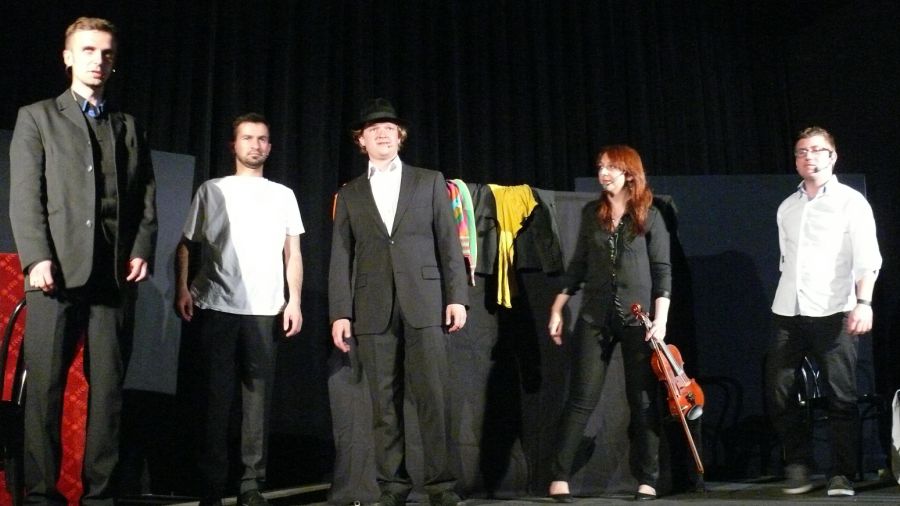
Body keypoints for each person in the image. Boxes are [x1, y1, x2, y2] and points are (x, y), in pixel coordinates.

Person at [8, 16, 157, 505]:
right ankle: (40, 494)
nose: (98, 60)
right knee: (45, 391)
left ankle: (100, 496)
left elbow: (145, 198)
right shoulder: (37, 117)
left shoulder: (128, 125)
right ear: (68, 57)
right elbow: (26, 196)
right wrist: (37, 258)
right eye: (88, 50)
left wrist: (141, 248)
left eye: (106, 53)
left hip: (113, 278)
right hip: (54, 275)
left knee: (108, 393)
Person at [328, 98, 468, 506]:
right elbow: (341, 256)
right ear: (362, 141)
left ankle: (441, 486)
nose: (382, 134)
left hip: (425, 301)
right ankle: (393, 486)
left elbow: (449, 243)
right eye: (373, 130)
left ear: (400, 136)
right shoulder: (350, 193)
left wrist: (457, 297)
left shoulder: (429, 181)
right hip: (372, 307)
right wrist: (340, 312)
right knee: (383, 405)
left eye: (389, 128)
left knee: (433, 398)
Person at [175, 113, 304, 506]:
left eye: (262, 139)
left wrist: (295, 300)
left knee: (257, 401)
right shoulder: (212, 189)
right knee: (214, 400)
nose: (255, 145)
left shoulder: (283, 195)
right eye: (247, 138)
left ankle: (251, 483)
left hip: (264, 309)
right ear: (234, 145)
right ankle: (211, 486)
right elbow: (186, 243)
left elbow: (293, 253)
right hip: (216, 305)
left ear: (270, 146)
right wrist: (182, 288)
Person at [547, 145, 671, 502]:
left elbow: (662, 271)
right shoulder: (593, 213)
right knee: (581, 398)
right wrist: (558, 307)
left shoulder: (650, 215)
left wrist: (661, 319)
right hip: (595, 317)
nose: (603, 173)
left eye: (611, 167)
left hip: (639, 320)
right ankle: (559, 476)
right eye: (601, 166)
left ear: (629, 173)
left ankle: (648, 478)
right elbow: (578, 265)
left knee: (642, 399)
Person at [766, 126, 881, 497]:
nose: (808, 157)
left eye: (817, 150)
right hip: (789, 309)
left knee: (840, 396)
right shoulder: (788, 206)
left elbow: (867, 258)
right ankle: (799, 465)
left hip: (834, 309)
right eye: (802, 152)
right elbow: (786, 260)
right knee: (779, 389)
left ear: (832, 156)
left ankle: (842, 474)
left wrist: (863, 303)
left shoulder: (850, 202)